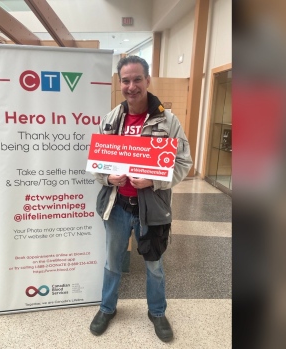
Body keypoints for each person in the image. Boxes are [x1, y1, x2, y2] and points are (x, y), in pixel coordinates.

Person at [89, 56, 193, 342]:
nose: (131, 86)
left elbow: (184, 163)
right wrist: (108, 178)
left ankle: (157, 312)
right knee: (112, 262)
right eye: (125, 80)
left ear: (148, 81)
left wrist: (155, 180)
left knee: (154, 264)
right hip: (117, 206)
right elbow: (97, 165)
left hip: (151, 209)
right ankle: (107, 308)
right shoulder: (111, 120)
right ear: (119, 83)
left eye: (137, 79)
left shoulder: (168, 121)